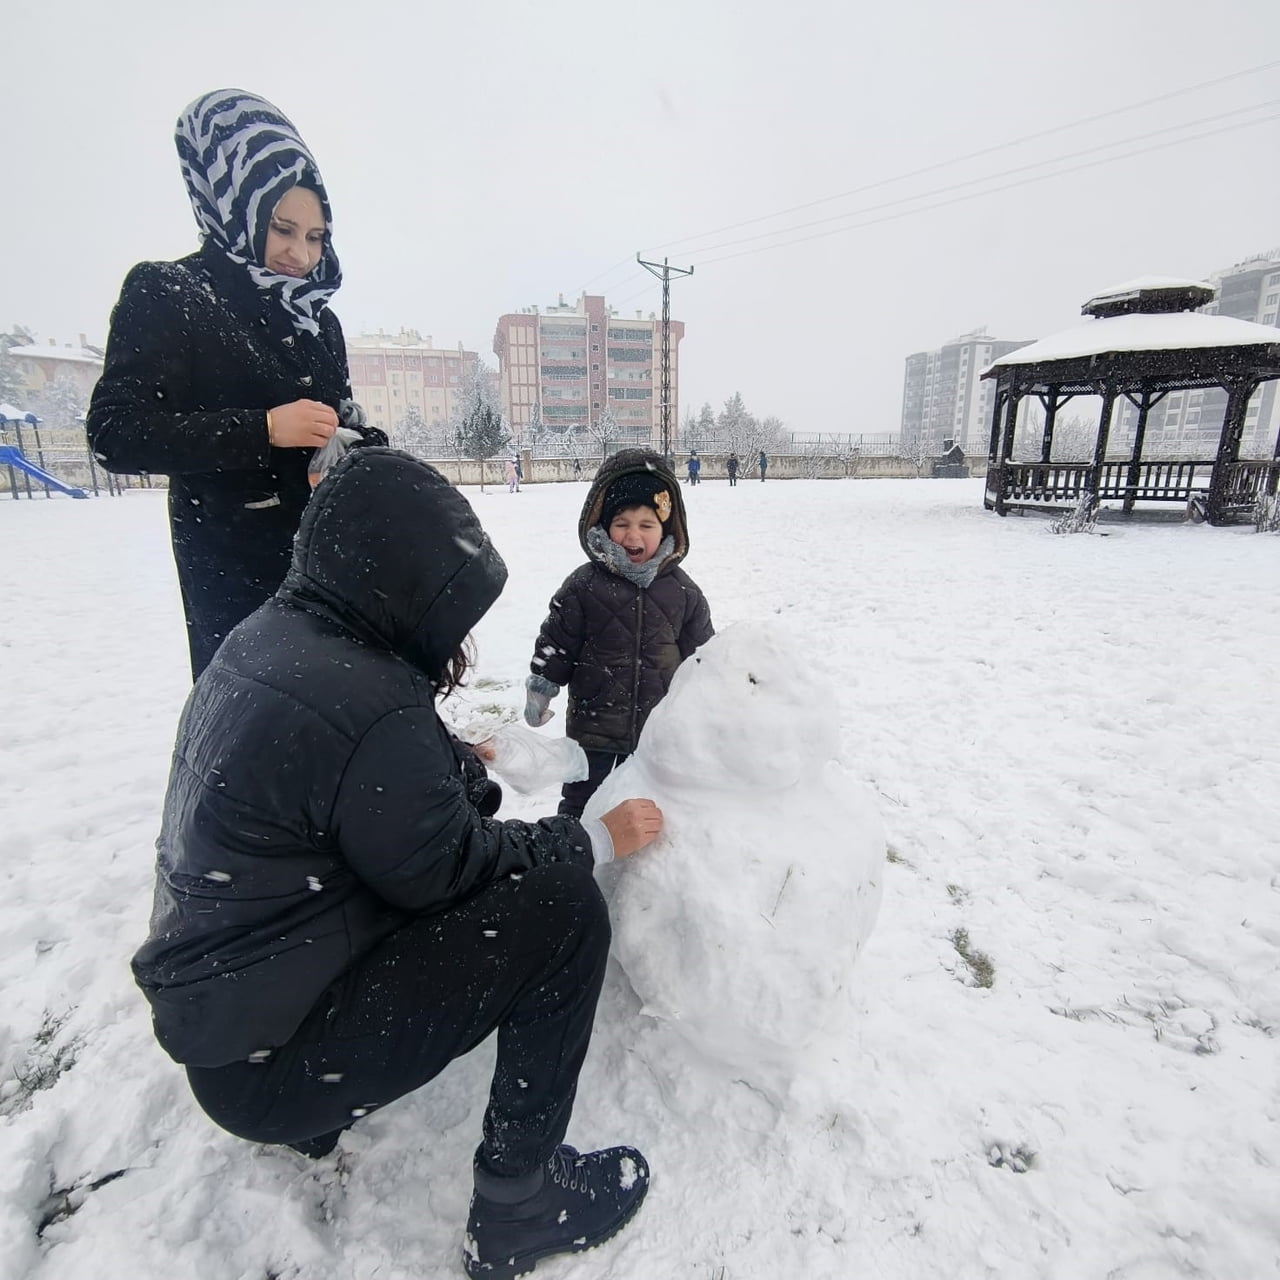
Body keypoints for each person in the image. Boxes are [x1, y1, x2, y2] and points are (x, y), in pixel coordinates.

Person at [131, 446, 660, 1279]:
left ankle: (316, 1108)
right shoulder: (368, 704)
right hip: (277, 1068)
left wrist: (459, 765)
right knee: (561, 904)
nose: (458, 632)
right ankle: (520, 1204)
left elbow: (361, 790)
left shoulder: (272, 641)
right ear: (402, 581)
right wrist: (591, 841)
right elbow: (452, 866)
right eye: (449, 603)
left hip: (231, 1041)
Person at [86, 89, 384, 680]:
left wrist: (357, 445)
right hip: (234, 577)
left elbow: (338, 417)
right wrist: (265, 429)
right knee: (254, 736)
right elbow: (115, 434)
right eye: (282, 229)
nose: (300, 254)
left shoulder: (318, 320)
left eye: (316, 236)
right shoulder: (171, 292)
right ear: (235, 208)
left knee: (340, 724)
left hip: (328, 567)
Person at [524, 448, 714, 817]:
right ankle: (573, 862)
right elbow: (556, 645)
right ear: (604, 525)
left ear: (666, 530)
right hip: (593, 727)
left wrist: (712, 705)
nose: (633, 535)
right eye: (622, 523)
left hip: (655, 732)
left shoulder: (684, 592)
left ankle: (635, 872)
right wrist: (540, 689)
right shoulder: (583, 586)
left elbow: (703, 659)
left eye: (647, 525)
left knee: (648, 807)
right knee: (581, 804)